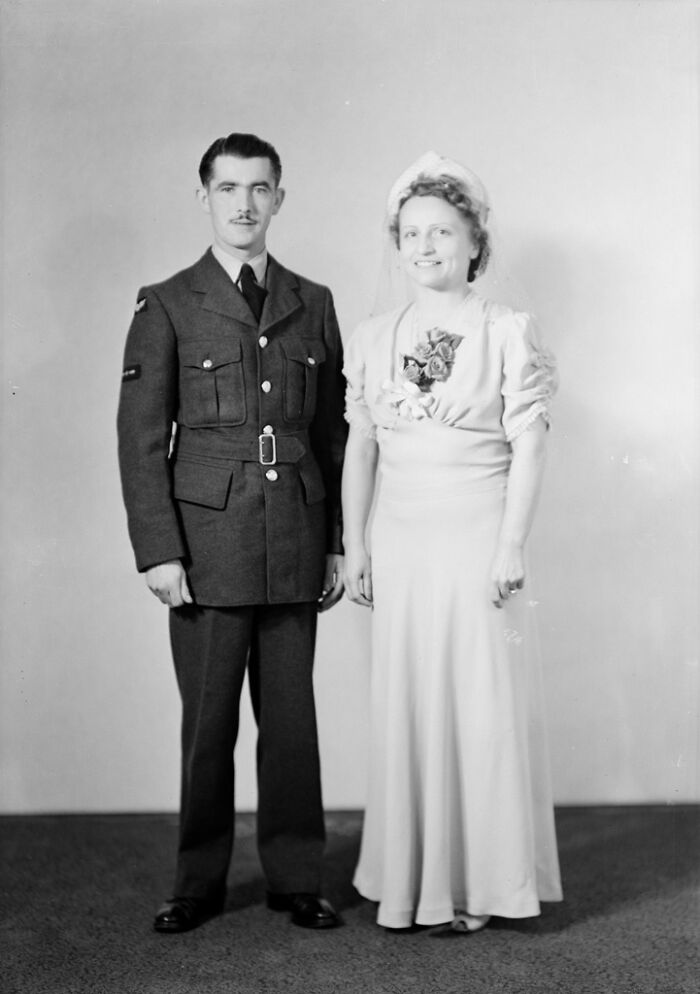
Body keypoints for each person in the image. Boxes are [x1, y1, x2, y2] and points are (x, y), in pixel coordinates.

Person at [117, 133, 347, 933]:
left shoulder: (311, 300)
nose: (244, 204)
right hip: (207, 546)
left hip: (294, 537)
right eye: (227, 189)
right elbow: (142, 438)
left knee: (291, 724)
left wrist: (338, 540)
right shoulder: (169, 301)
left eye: (259, 188)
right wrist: (159, 550)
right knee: (208, 723)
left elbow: (332, 432)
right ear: (203, 198)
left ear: (280, 198)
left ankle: (295, 877)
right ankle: (196, 882)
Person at [342, 152, 563, 932]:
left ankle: (481, 885)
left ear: (475, 243)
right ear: (396, 244)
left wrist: (511, 545)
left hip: (475, 534)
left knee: (477, 703)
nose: (425, 247)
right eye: (410, 234)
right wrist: (357, 544)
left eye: (442, 232)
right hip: (401, 538)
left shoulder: (506, 330)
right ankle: (410, 879)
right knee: (409, 700)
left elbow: (530, 445)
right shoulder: (372, 336)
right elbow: (361, 446)